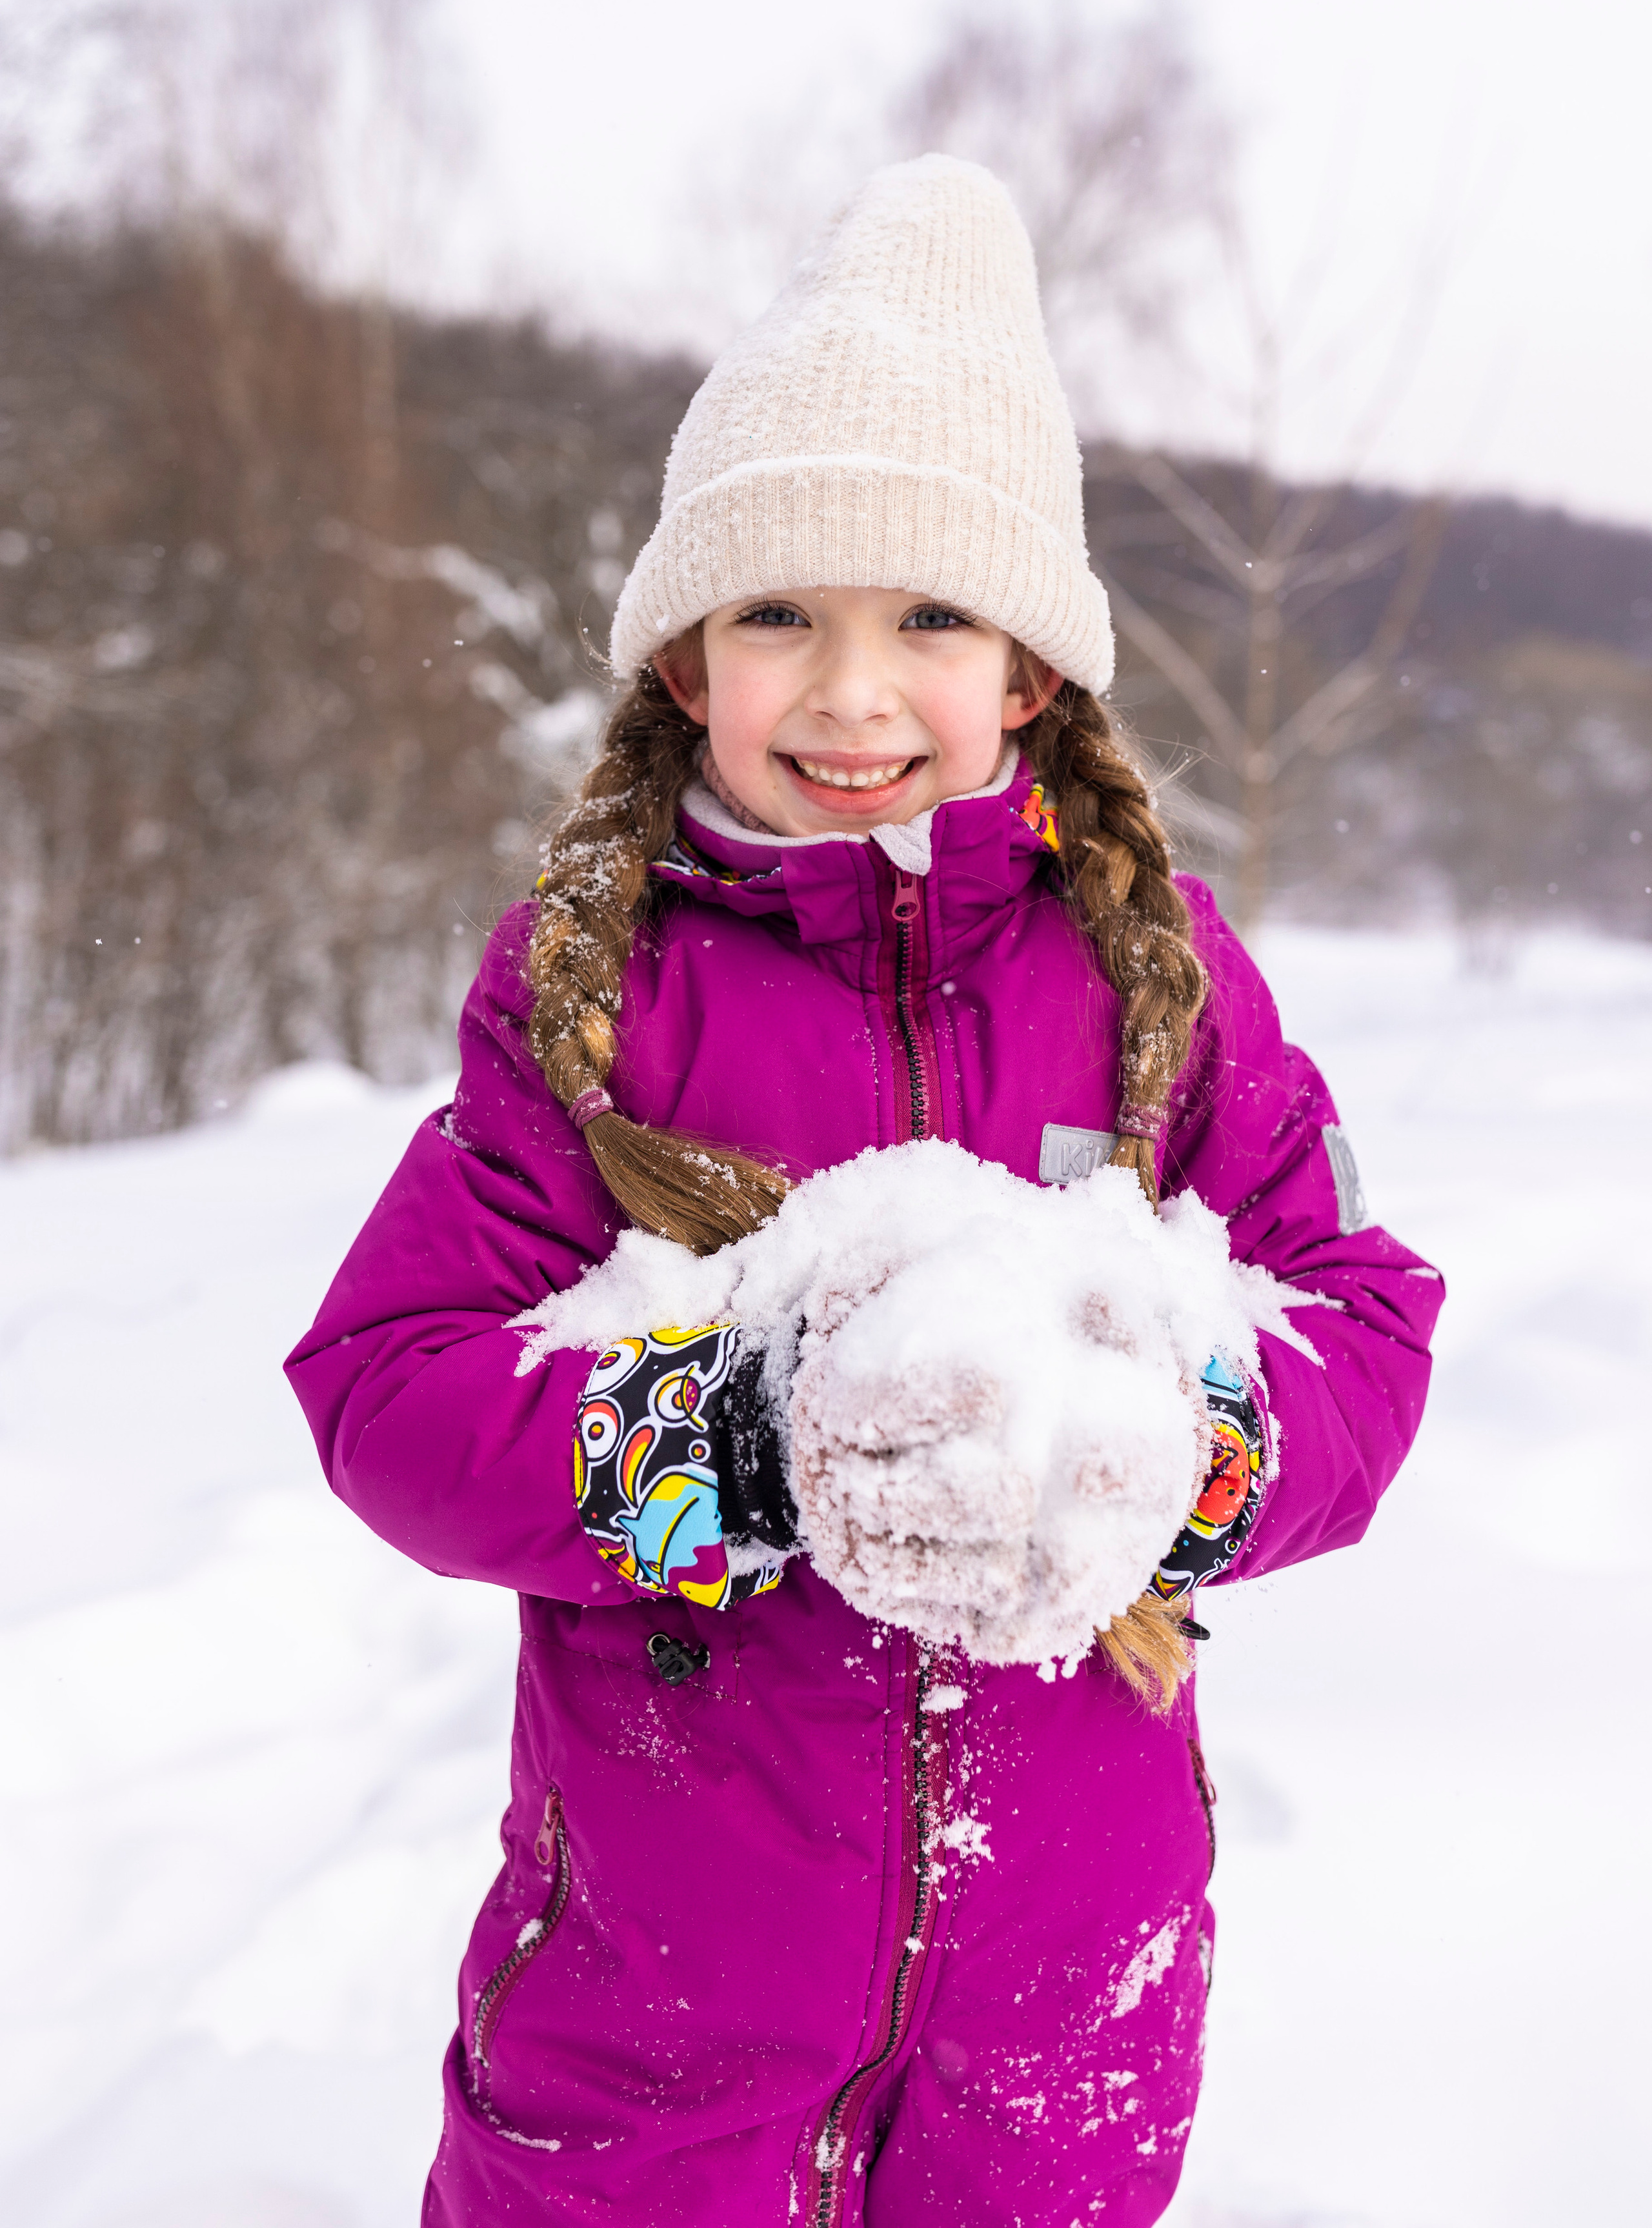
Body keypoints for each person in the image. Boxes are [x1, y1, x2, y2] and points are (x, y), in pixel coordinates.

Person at [287, 156, 1442, 2227]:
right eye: (777, 616)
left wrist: (1176, 1452)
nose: (848, 689)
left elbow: (1362, 1315)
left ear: (1031, 672)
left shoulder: (1154, 980)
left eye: (929, 615)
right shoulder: (594, 995)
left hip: (1059, 2017)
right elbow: (389, 1388)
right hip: (652, 2020)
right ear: (680, 663)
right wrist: (733, 1446)